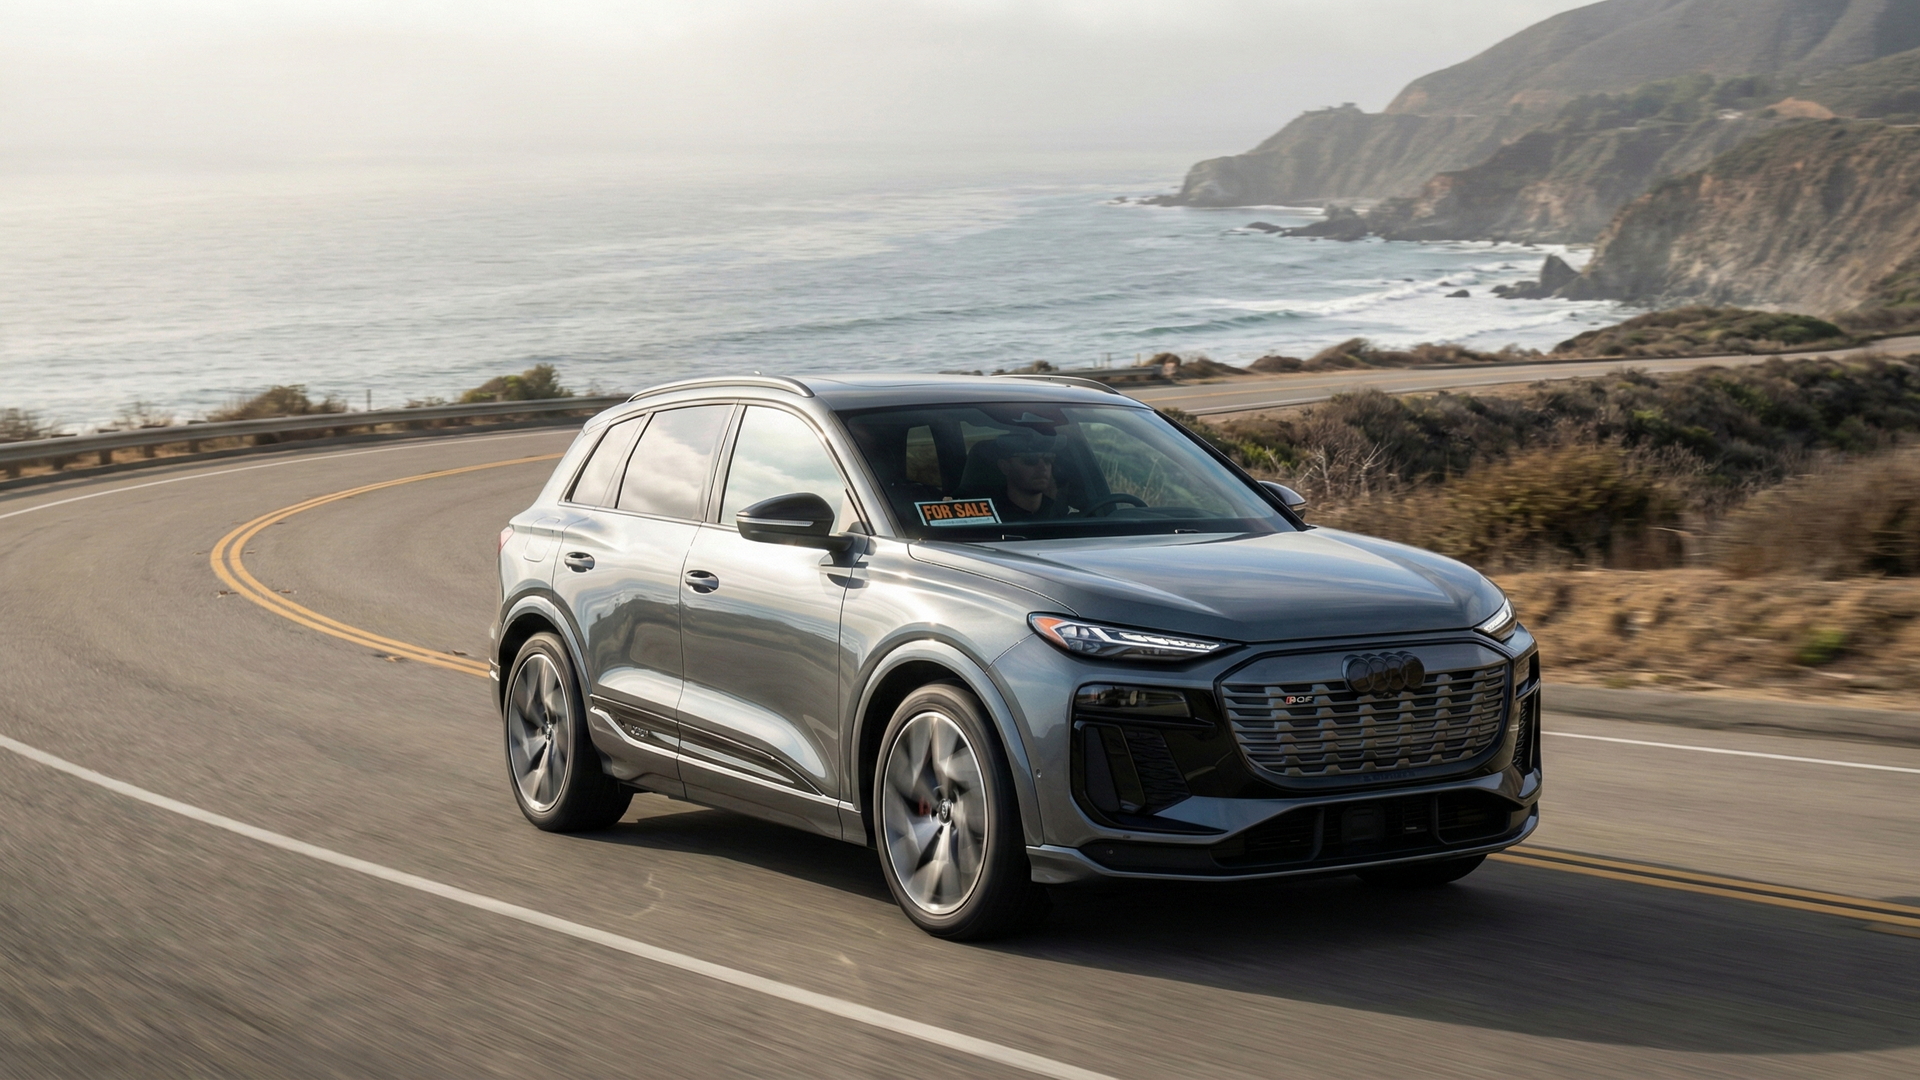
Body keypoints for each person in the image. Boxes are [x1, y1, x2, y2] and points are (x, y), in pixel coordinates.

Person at [990, 432, 1063, 521]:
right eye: (1030, 459)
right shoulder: (989, 517)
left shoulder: (1065, 514)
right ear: (1005, 467)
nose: (1043, 467)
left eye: (1048, 459)